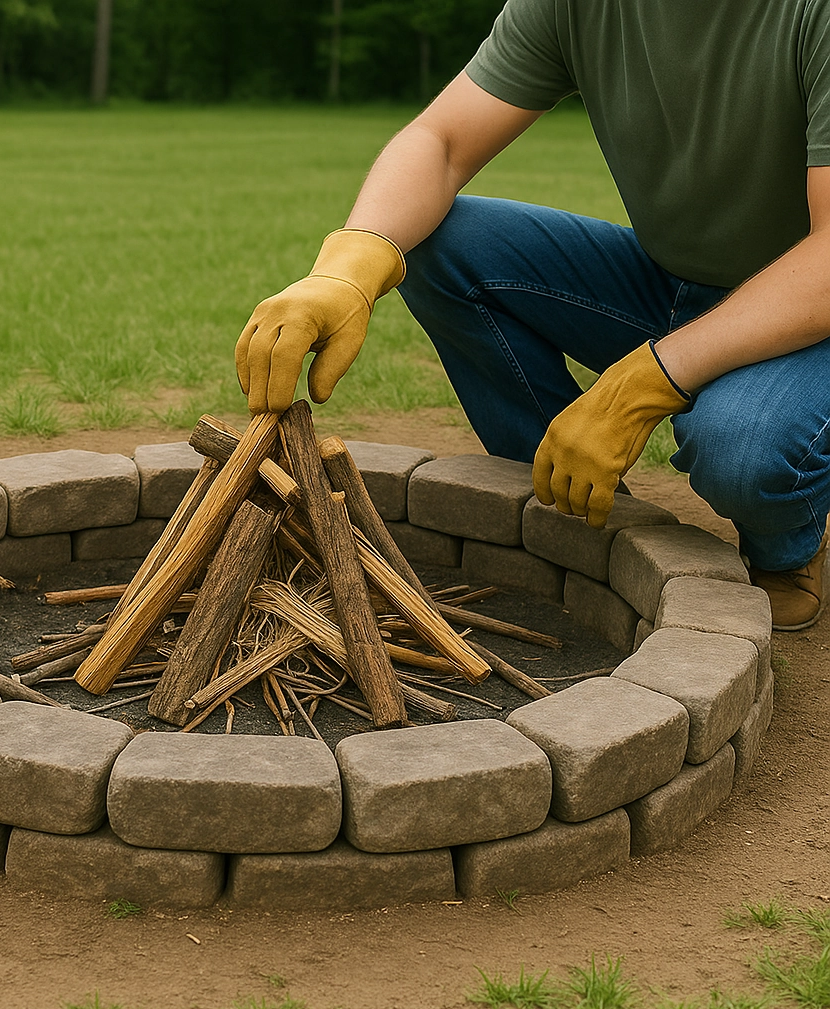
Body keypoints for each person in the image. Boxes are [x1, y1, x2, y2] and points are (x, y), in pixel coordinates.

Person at [235, 0, 830, 631]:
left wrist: (642, 383)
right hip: (667, 282)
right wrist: (349, 265)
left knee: (743, 448)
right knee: (434, 242)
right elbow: (441, 141)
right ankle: (585, 517)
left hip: (810, 311)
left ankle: (783, 552)